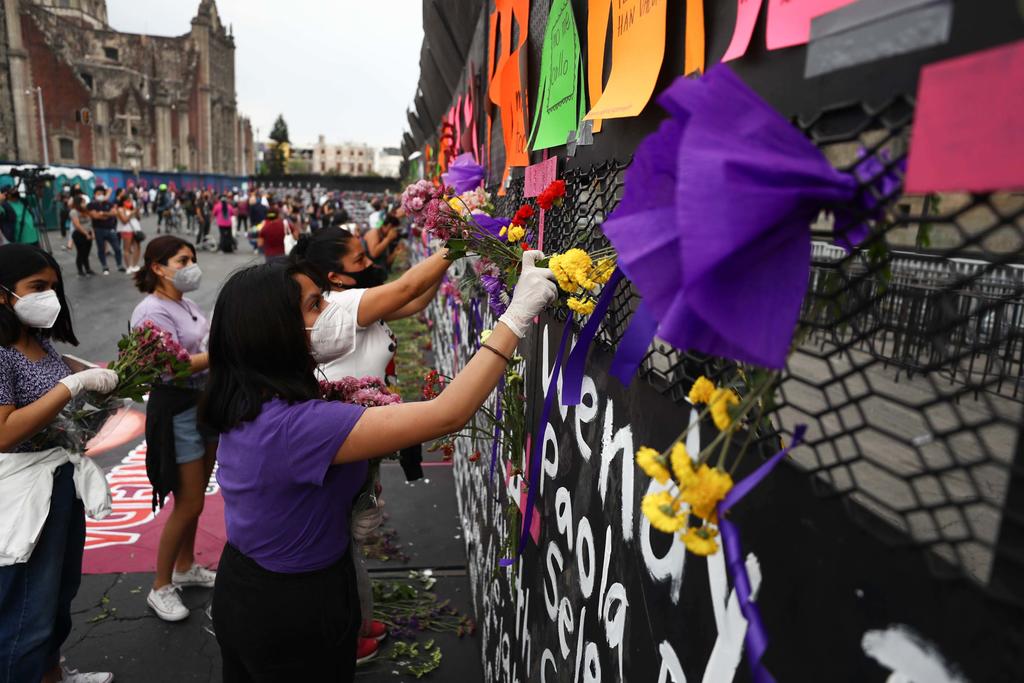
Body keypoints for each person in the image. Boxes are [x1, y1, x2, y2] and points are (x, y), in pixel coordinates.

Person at [201, 252, 553, 681]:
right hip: (291, 606)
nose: (331, 310)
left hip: (254, 587)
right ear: (274, 332)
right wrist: (516, 317)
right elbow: (447, 414)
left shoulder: (252, 397)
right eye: (315, 305)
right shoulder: (297, 426)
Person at [291, 227, 452, 662]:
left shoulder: (353, 300)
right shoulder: (343, 305)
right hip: (346, 436)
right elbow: (408, 288)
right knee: (339, 540)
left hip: (360, 434)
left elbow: (415, 301)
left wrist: (450, 257)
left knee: (350, 537)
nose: (370, 264)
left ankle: (355, 620)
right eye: (359, 260)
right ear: (334, 276)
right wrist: (456, 243)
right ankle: (342, 637)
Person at [0, 243, 118, 683]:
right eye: (37, 287)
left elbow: (56, 407)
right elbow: (4, 432)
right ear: (3, 293)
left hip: (61, 481)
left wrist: (91, 386)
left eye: (53, 286)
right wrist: (71, 386)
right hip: (24, 492)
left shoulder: (39, 342)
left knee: (58, 593)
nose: (49, 296)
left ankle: (51, 674)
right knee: (27, 606)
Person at [129, 236, 217, 623]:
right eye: (183, 260)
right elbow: (170, 368)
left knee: (195, 497)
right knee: (189, 502)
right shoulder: (151, 312)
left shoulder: (188, 305)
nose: (191, 266)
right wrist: (220, 353)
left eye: (192, 259)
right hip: (178, 409)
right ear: (157, 268)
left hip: (204, 404)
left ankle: (185, 566)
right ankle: (160, 586)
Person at [87, 187, 123, 275]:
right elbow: (95, 216)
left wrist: (103, 213)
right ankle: (104, 266)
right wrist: (107, 215)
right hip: (98, 229)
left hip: (110, 229)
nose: (100, 195)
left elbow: (114, 213)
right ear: (94, 195)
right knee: (101, 249)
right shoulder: (91, 205)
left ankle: (119, 265)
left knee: (117, 248)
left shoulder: (108, 203)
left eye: (102, 193)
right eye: (98, 194)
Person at [69, 195, 95, 277]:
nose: (84, 204)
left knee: (86, 253)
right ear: (78, 203)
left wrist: (92, 233)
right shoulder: (73, 212)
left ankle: (88, 269)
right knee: (81, 252)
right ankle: (80, 270)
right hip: (79, 234)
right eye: (83, 202)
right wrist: (86, 233)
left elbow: (90, 223)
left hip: (88, 233)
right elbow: (77, 225)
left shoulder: (86, 211)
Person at [116, 196, 142, 274]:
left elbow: (138, 218)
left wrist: (137, 212)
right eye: (127, 201)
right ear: (123, 201)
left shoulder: (132, 208)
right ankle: (128, 266)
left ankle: (134, 265)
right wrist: (131, 213)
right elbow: (124, 220)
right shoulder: (120, 209)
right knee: (127, 249)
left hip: (136, 230)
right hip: (126, 230)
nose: (129, 202)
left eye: (130, 200)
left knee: (137, 247)